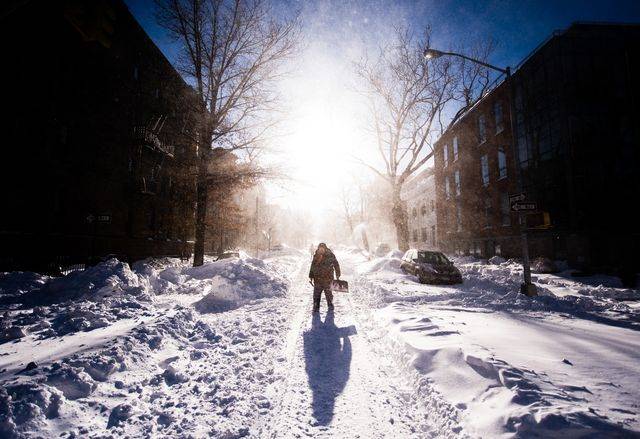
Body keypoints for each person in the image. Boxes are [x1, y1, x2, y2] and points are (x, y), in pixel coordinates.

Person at [308, 243, 341, 313]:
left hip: (328, 279)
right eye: (320, 248)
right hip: (317, 279)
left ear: (325, 248)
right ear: (318, 248)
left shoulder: (331, 255)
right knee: (316, 294)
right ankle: (316, 307)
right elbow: (312, 266)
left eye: (322, 248)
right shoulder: (316, 255)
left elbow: (336, 264)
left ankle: (330, 305)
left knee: (328, 293)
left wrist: (338, 274)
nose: (321, 250)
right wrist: (311, 275)